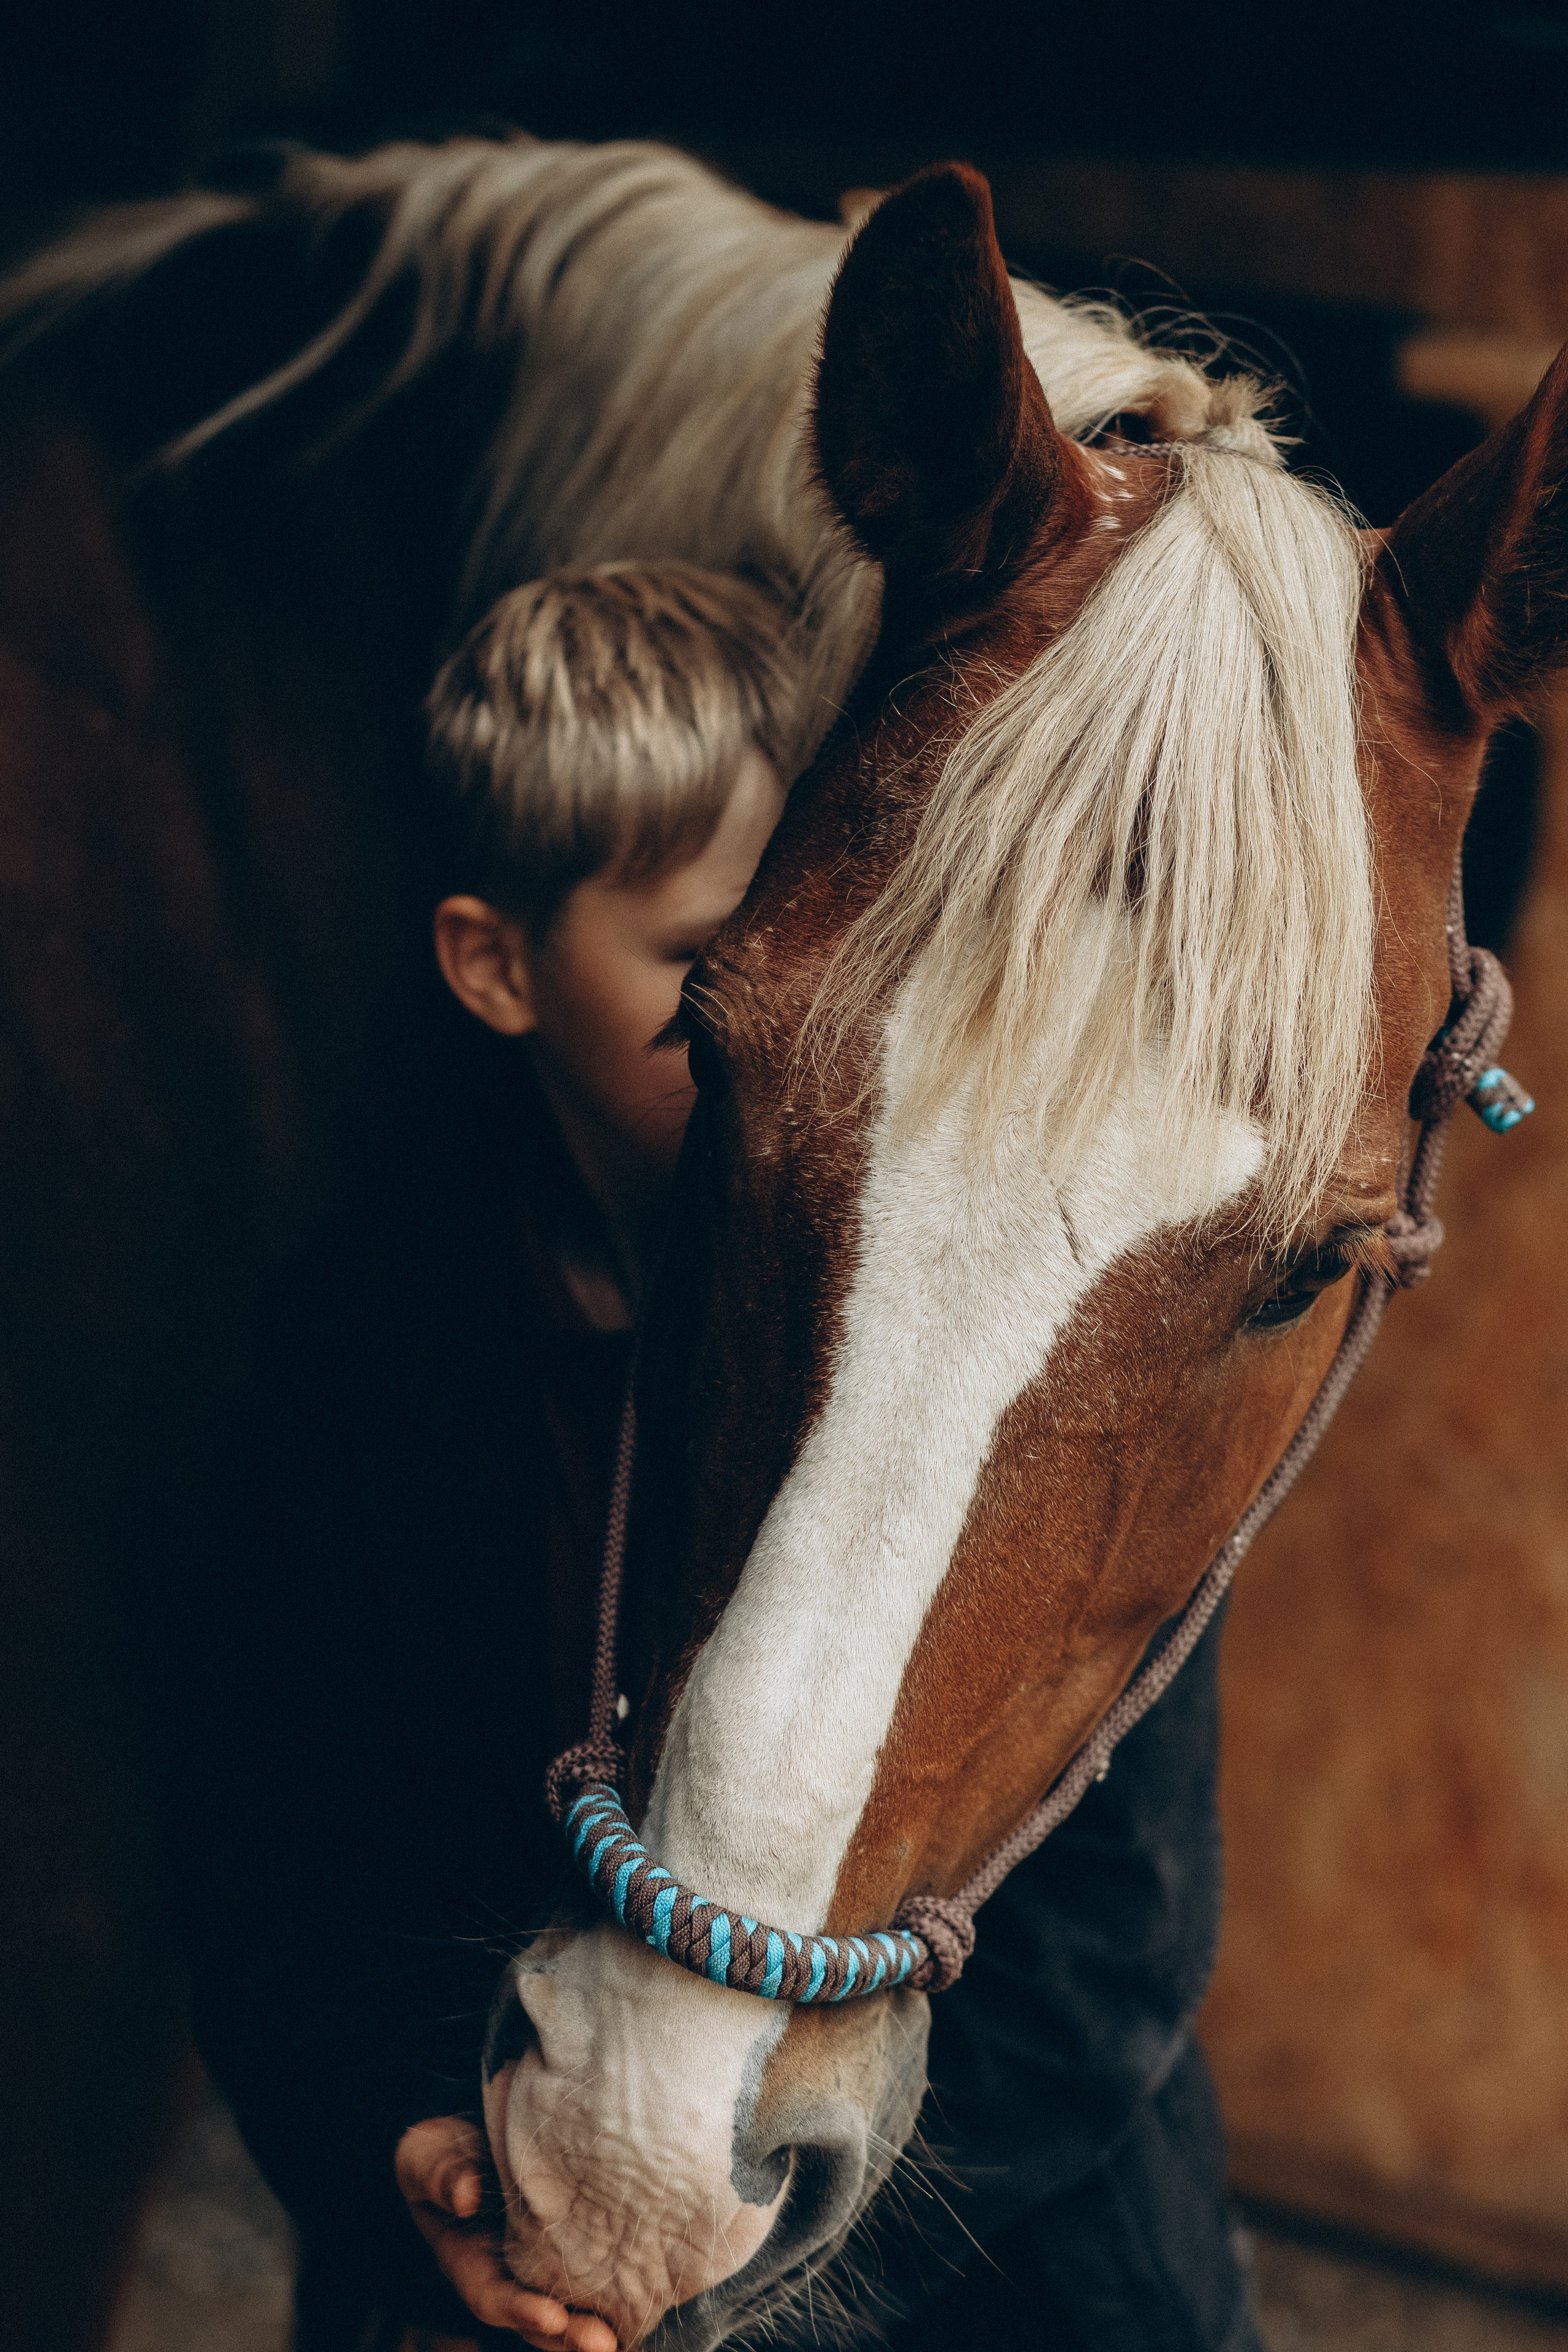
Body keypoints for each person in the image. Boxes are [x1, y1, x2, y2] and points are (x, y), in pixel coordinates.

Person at [176, 560, 1257, 2352]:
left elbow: (1106, 1944)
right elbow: (283, 1848)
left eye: (801, 938)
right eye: (697, 964)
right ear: (494, 966)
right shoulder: (364, 1347)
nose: (785, 1024)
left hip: (1000, 2286)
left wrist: (725, 2291)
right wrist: (415, 2147)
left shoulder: (982, 1327)